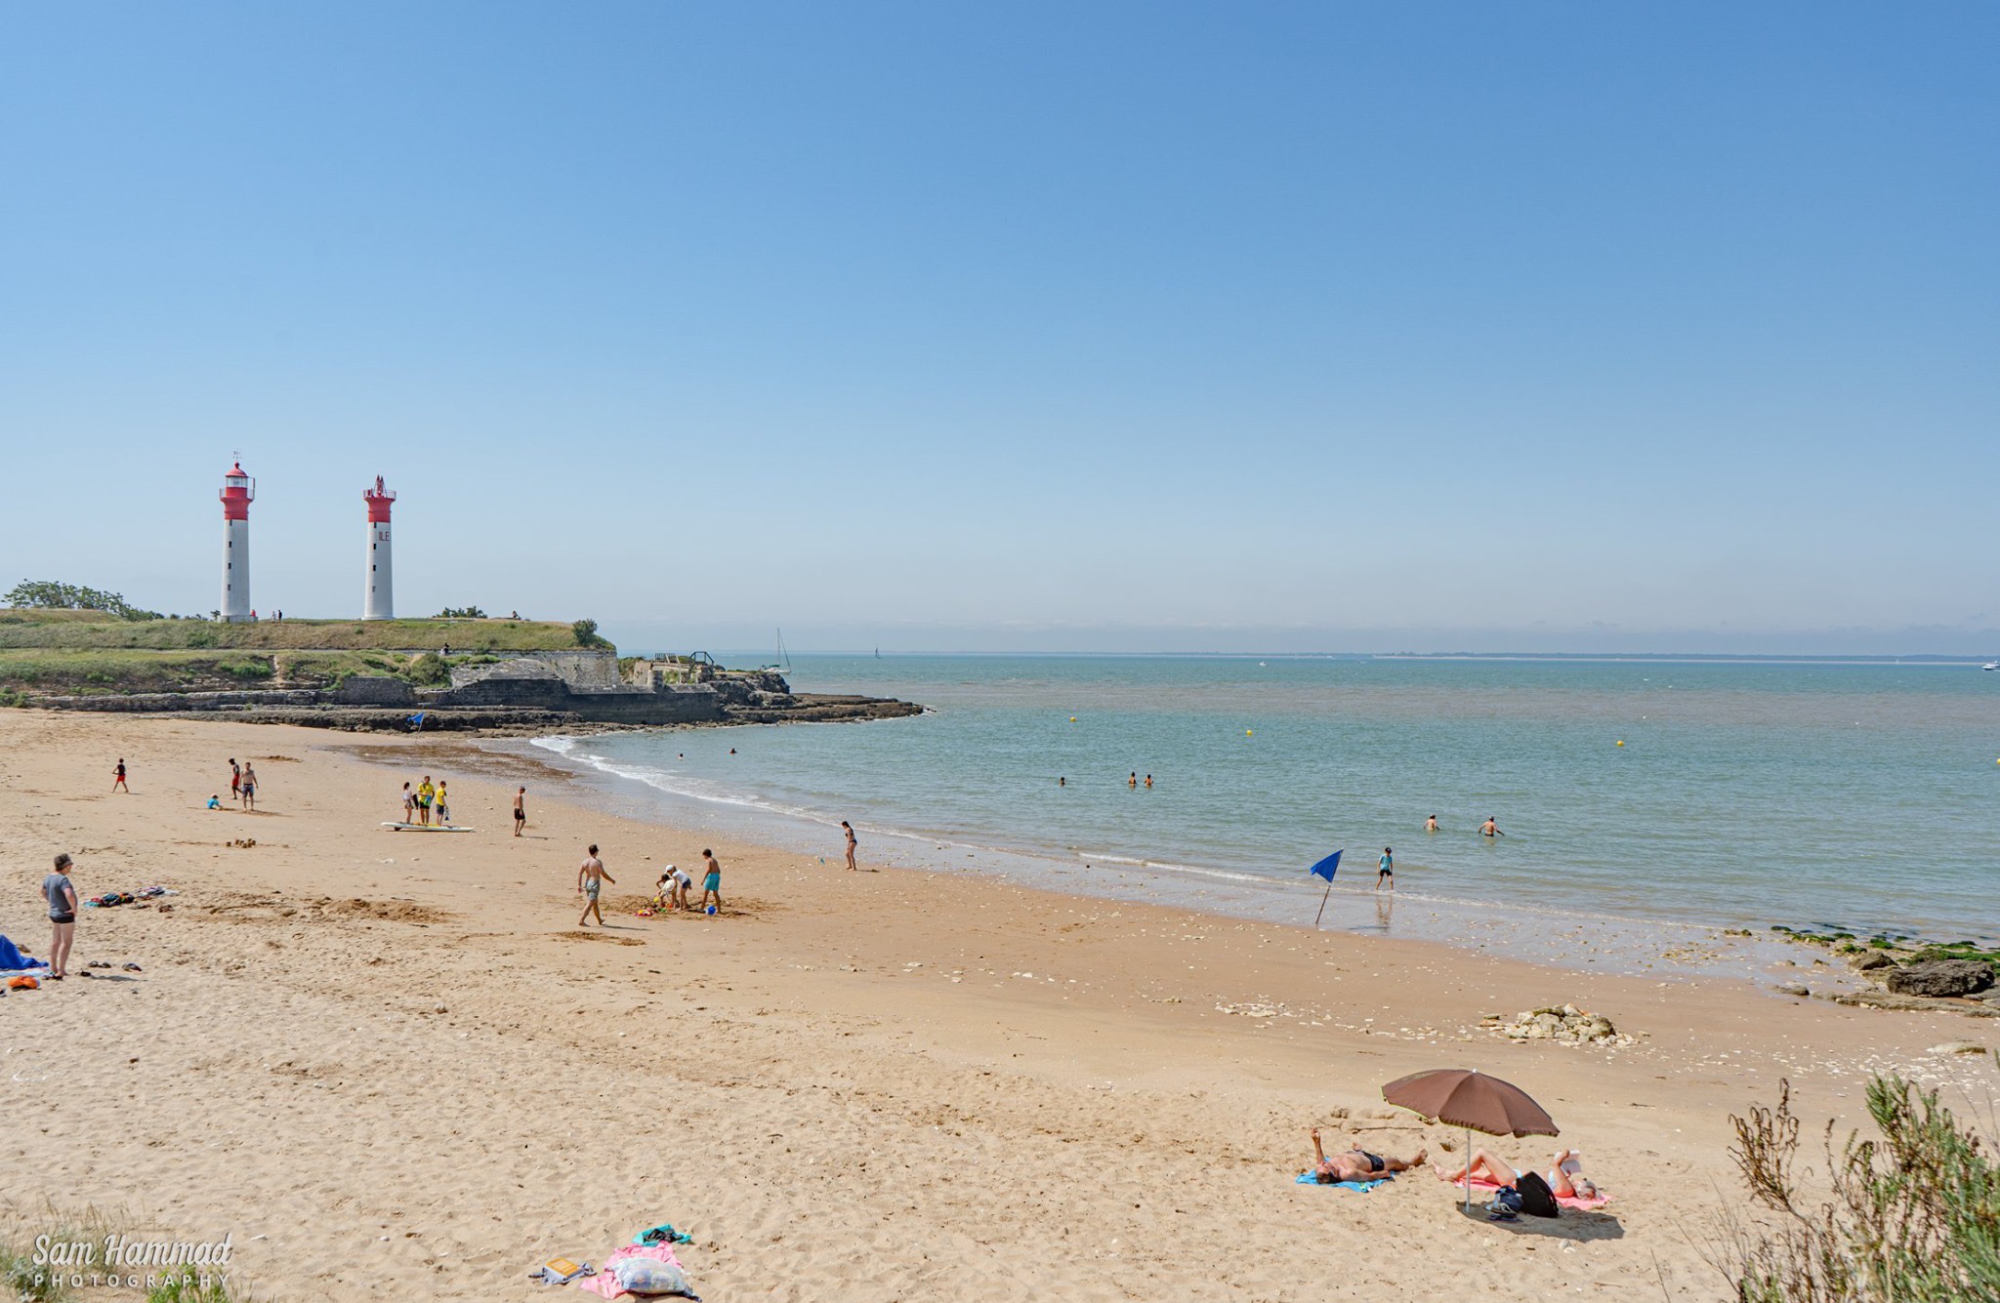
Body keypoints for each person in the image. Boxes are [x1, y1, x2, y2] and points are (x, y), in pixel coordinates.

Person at [1436, 1148, 1596, 1201]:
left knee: (1482, 1154)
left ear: (1582, 1190)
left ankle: (1451, 1175)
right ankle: (1451, 1173)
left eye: (1583, 1183)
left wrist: (1561, 1158)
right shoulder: (1566, 1184)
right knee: (1479, 1173)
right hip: (1518, 1176)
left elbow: (1554, 1165)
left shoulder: (1567, 1190)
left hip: (1517, 1182)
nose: (1580, 1181)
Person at [1306, 1127, 1426, 1184]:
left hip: (1354, 1156)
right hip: (1373, 1162)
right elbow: (1369, 1176)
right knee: (1395, 1162)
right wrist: (1381, 1174)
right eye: (1325, 1166)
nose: (1323, 1163)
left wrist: (1317, 1142)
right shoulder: (1348, 1173)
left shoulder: (1323, 1168)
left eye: (1323, 1165)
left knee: (1355, 1154)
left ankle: (1359, 1151)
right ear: (1333, 1173)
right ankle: (1412, 1163)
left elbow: (1319, 1162)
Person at [43, 853, 78, 981]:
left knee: (55, 941)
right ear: (65, 866)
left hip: (54, 913)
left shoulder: (48, 878)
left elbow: (43, 892)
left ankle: (53, 968)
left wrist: (52, 902)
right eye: (70, 865)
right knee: (67, 942)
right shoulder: (63, 879)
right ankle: (61, 970)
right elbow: (69, 894)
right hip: (65, 914)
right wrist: (73, 908)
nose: (71, 867)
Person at [577, 844, 614, 927]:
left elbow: (580, 873)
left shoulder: (585, 861)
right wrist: (611, 880)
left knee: (595, 903)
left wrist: (579, 885)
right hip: (594, 883)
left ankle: (599, 920)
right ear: (596, 852)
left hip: (587, 884)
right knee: (590, 903)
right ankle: (581, 920)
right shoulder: (597, 862)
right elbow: (603, 874)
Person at [699, 849, 723, 914]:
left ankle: (701, 908)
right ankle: (719, 909)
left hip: (711, 876)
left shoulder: (709, 860)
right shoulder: (715, 860)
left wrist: (703, 879)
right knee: (716, 893)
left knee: (706, 893)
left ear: (706, 855)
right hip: (717, 876)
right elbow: (719, 870)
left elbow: (709, 869)